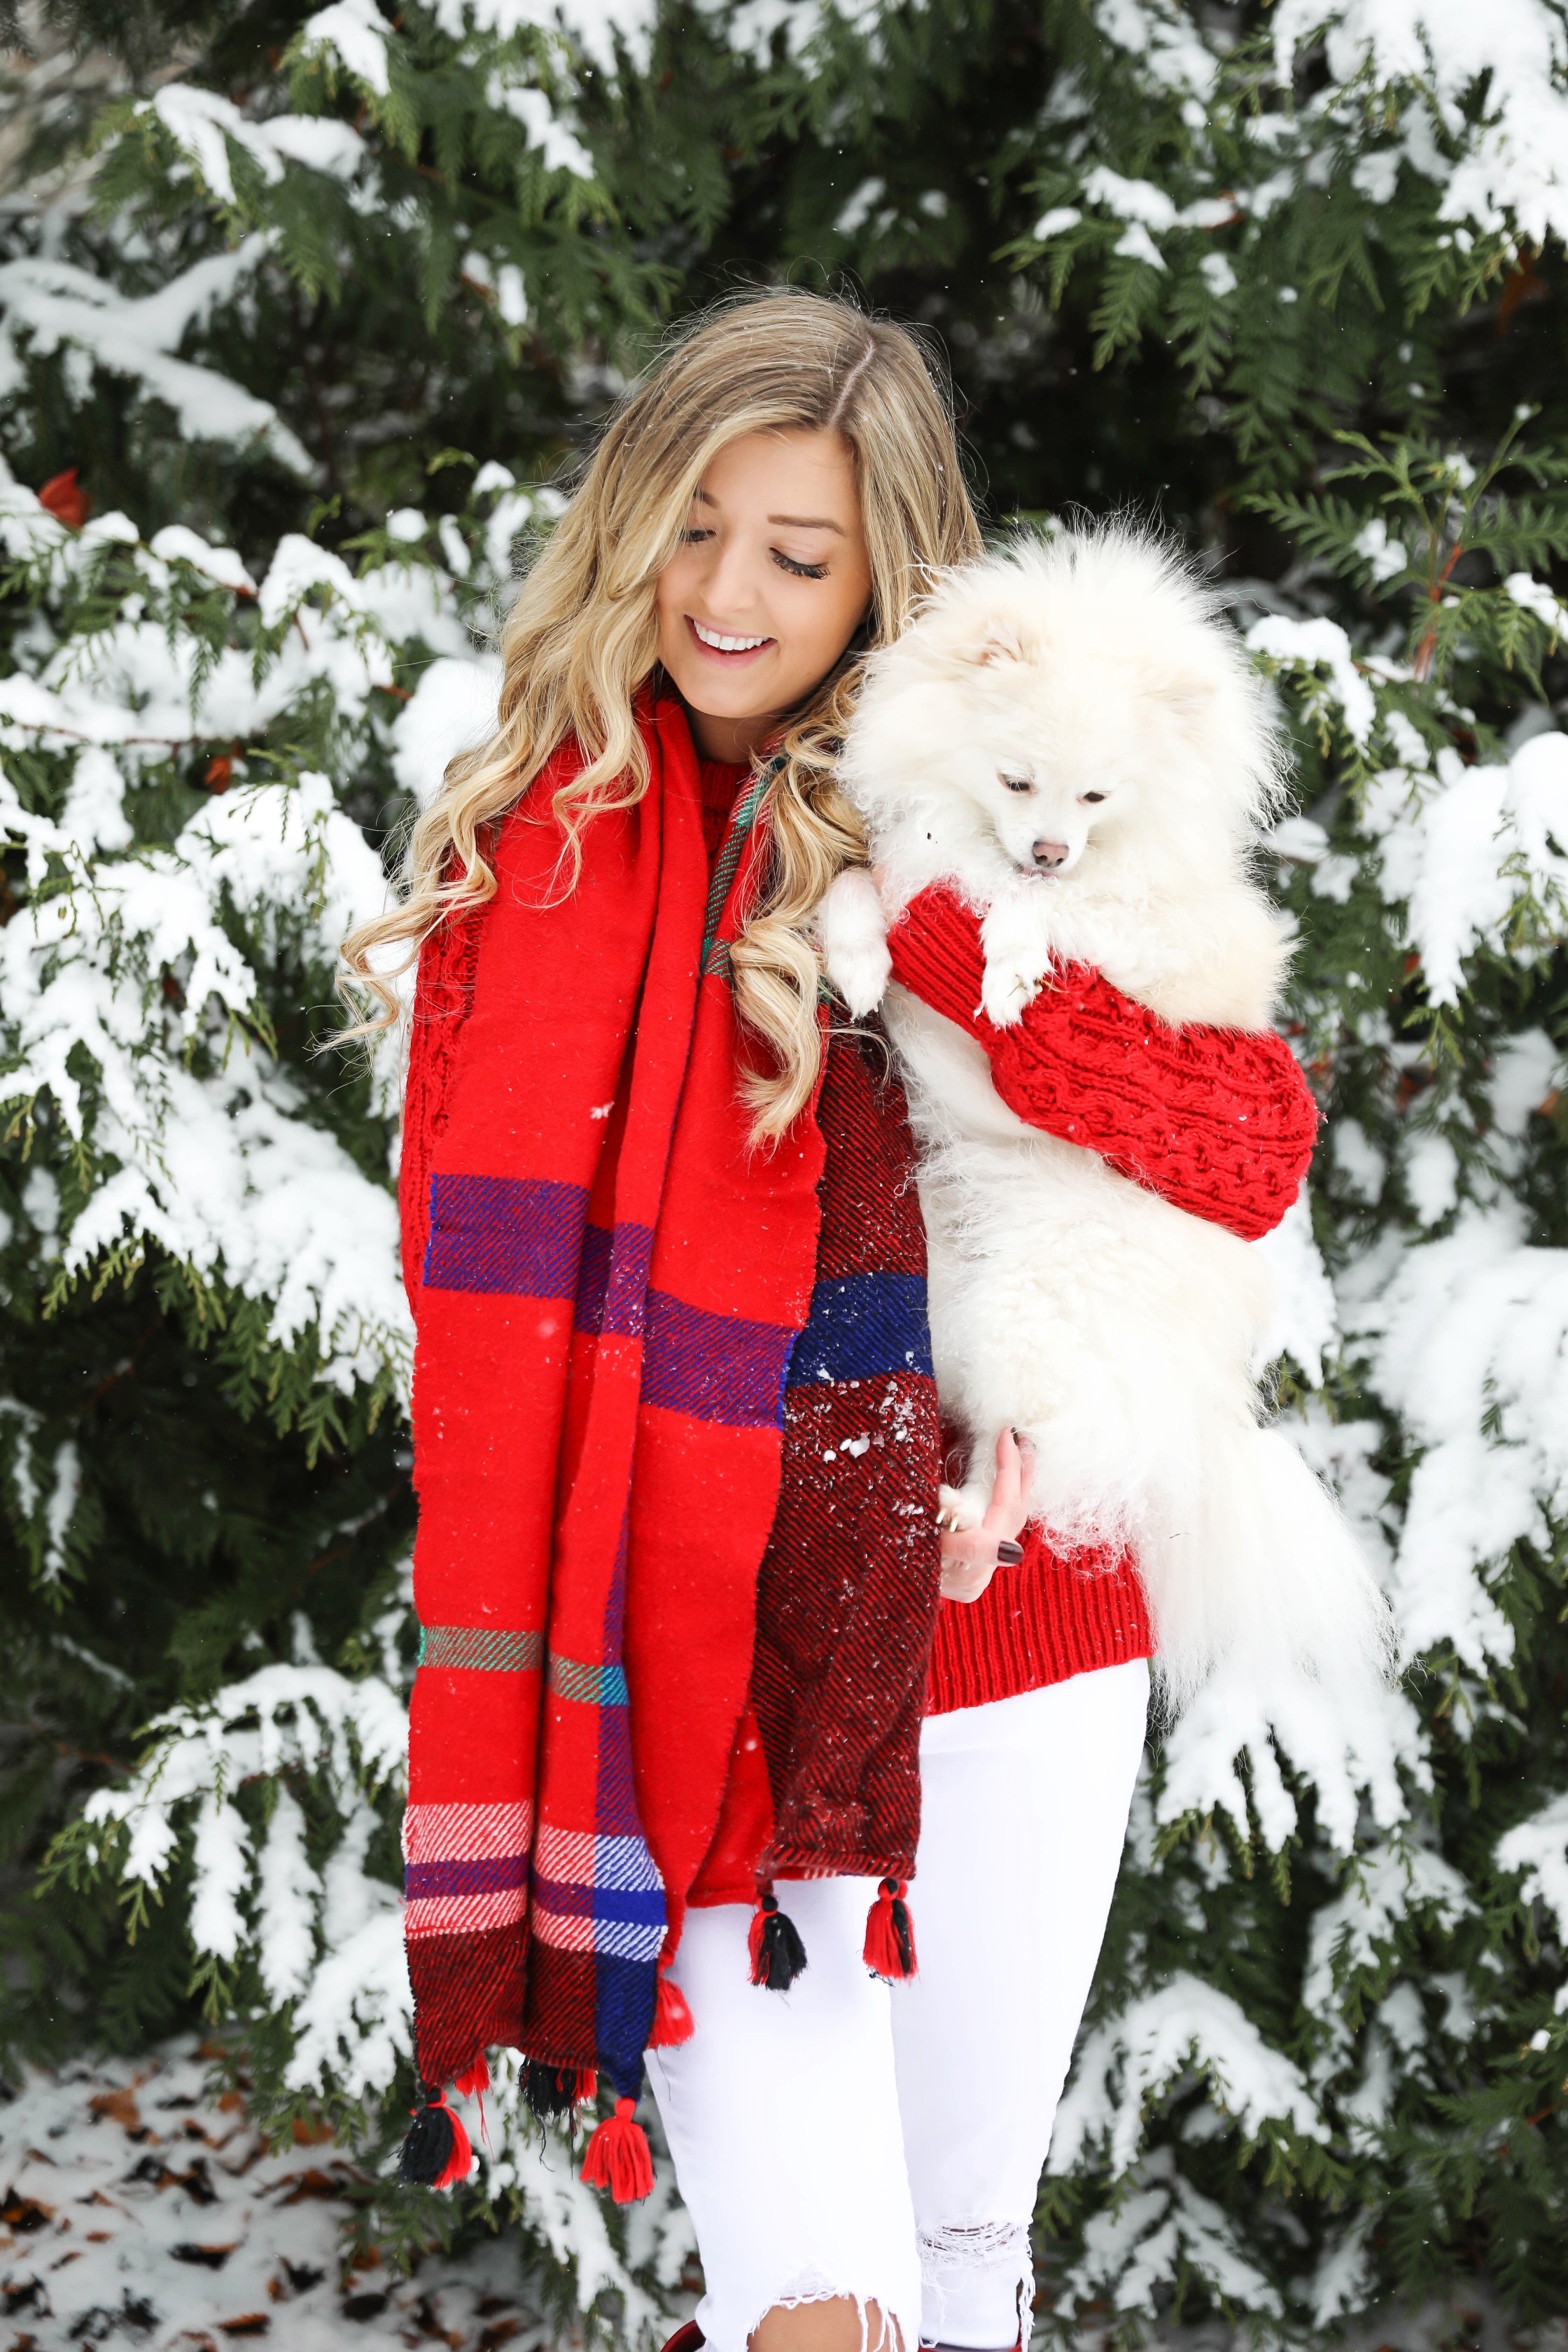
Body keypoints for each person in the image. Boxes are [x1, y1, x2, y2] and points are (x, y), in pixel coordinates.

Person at [342, 290, 1319, 2352]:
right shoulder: (520, 863)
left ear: (886, 574)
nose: (729, 595)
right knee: (821, 2312)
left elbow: (1245, 1142)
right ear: (629, 524)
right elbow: (481, 1296)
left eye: (799, 557)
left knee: (965, 2277)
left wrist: (967, 964)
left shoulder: (964, 806)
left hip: (1016, 1623)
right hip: (693, 1665)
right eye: (696, 528)